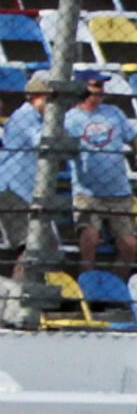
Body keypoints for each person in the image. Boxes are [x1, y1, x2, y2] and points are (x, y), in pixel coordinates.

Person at [63, 70, 137, 278]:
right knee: (89, 238)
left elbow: (133, 137)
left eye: (102, 85)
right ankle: (88, 283)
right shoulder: (69, 118)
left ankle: (113, 286)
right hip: (88, 192)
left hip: (118, 190)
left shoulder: (113, 112)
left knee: (128, 244)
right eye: (96, 85)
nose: (102, 90)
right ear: (83, 88)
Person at [0, 74, 50, 280]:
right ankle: (18, 298)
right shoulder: (25, 116)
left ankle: (23, 294)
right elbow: (44, 142)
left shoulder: (38, 119)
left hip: (23, 192)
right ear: (37, 97)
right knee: (32, 245)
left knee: (42, 244)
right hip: (12, 190)